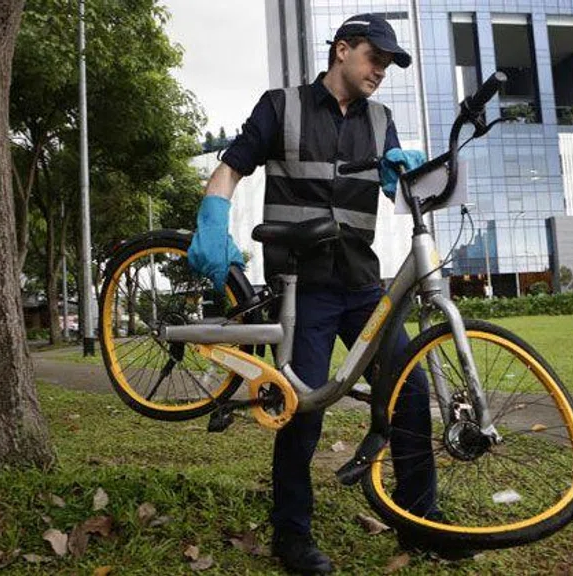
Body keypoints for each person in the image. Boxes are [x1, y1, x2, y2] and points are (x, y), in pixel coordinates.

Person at [188, 14, 448, 574]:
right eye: (375, 57)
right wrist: (212, 217)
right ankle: (292, 536)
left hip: (361, 286)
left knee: (409, 387)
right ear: (342, 51)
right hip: (298, 290)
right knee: (302, 411)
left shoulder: (382, 121)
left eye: (388, 64)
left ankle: (422, 517)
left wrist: (405, 174)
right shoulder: (281, 106)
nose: (381, 70)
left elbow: (398, 186)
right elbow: (230, 169)